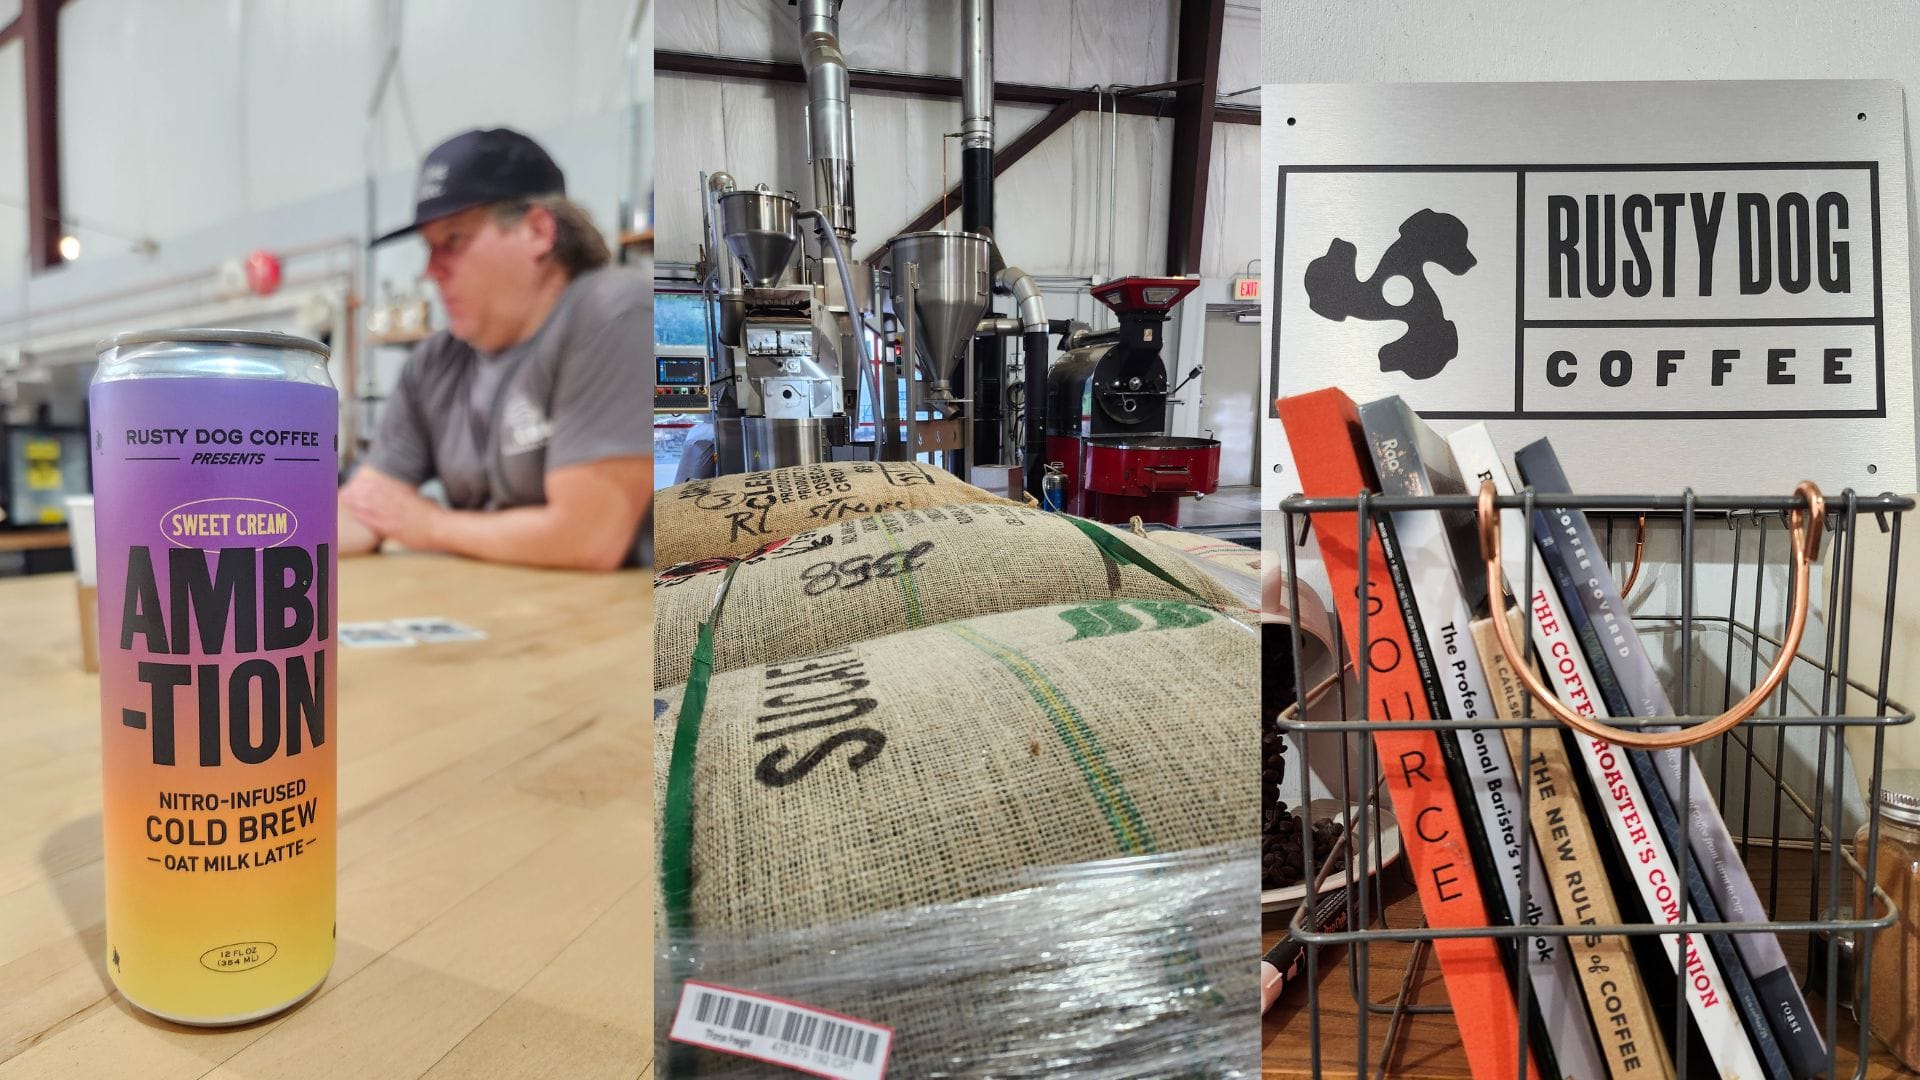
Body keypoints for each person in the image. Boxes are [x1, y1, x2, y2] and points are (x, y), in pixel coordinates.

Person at [339, 127, 652, 570]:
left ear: (538, 231)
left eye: (453, 240)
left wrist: (430, 526)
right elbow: (367, 507)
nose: (431, 271)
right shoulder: (434, 362)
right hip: (499, 617)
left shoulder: (611, 310)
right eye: (428, 248)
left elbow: (589, 537)